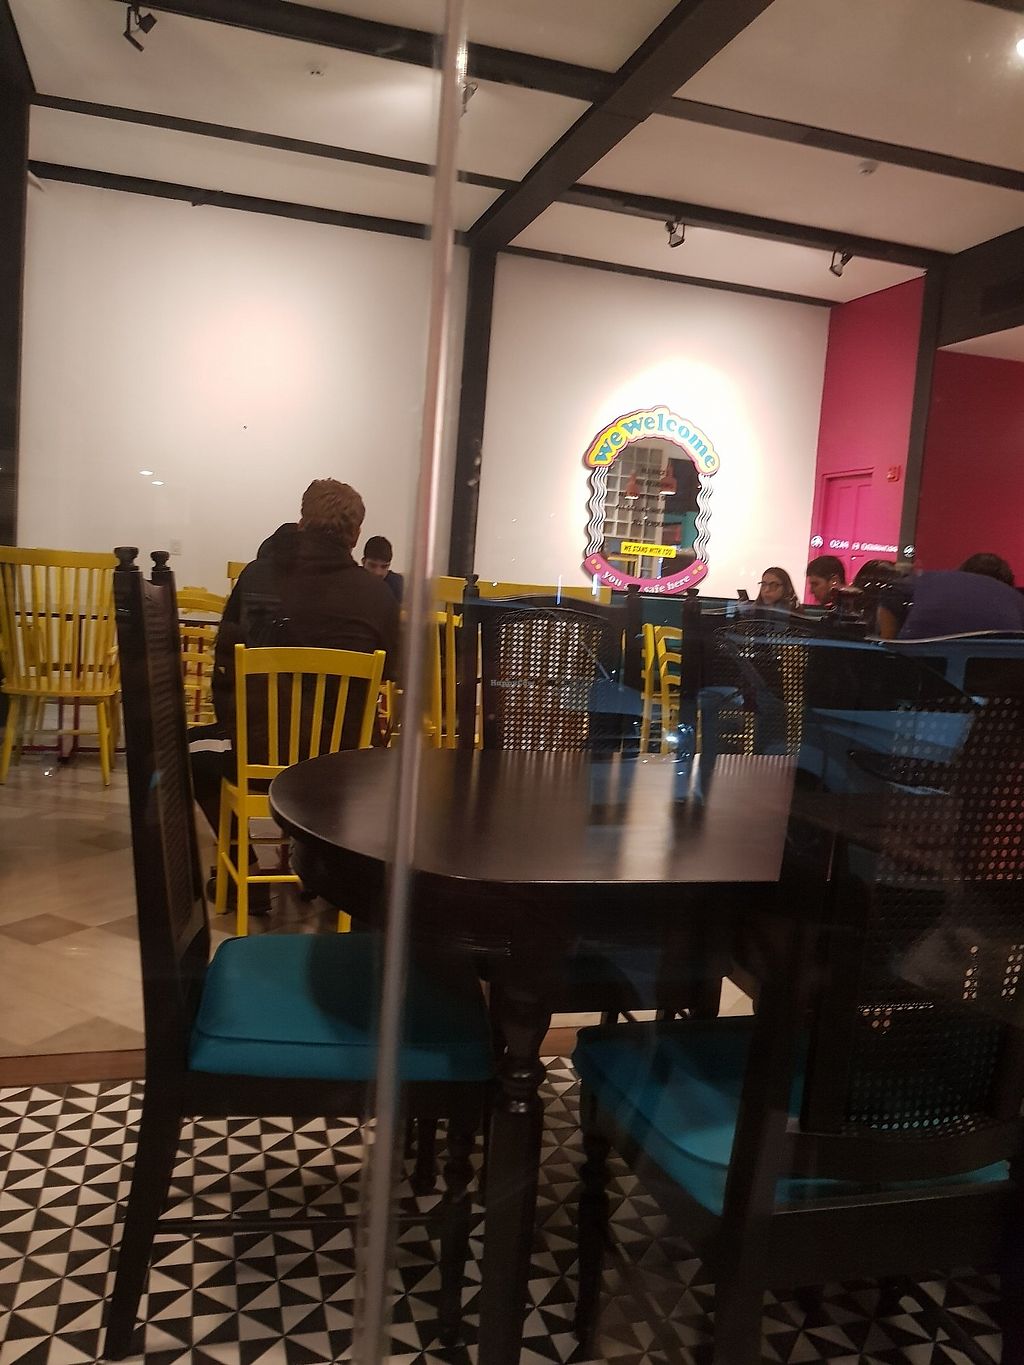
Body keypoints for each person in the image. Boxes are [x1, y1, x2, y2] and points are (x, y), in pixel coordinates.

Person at [190, 479, 400, 911]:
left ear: (302, 522)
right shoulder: (376, 595)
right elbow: (395, 674)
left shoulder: (258, 577)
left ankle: (247, 874)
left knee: (190, 751)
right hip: (342, 769)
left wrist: (238, 724)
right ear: (356, 535)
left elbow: (224, 667)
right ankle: (329, 871)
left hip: (259, 758)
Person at [878, 552, 1024, 639]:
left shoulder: (930, 580)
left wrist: (890, 643)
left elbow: (891, 594)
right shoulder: (1016, 599)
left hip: (920, 665)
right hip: (994, 673)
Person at [361, 534, 404, 603]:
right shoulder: (353, 581)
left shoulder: (396, 584)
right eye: (372, 566)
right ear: (363, 562)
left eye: (384, 567)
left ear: (389, 565)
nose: (378, 572)